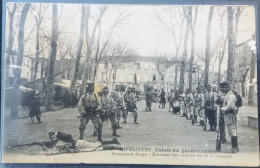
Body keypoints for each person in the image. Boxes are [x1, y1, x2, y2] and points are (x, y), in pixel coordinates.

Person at [9, 131, 122, 155]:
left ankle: (114, 145)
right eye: (51, 138)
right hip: (78, 146)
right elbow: (50, 146)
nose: (53, 139)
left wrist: (72, 146)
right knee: (96, 145)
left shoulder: (61, 136)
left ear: (56, 135)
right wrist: (40, 144)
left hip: (79, 144)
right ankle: (113, 142)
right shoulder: (54, 142)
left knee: (97, 146)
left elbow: (70, 138)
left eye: (54, 137)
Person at [219, 82, 239, 153]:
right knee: (231, 131)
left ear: (228, 87)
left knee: (232, 131)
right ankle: (234, 147)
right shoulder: (226, 95)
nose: (223, 89)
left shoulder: (231, 96)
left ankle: (234, 147)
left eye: (225, 87)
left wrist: (222, 109)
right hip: (228, 115)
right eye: (222, 88)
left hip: (231, 114)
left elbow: (230, 106)